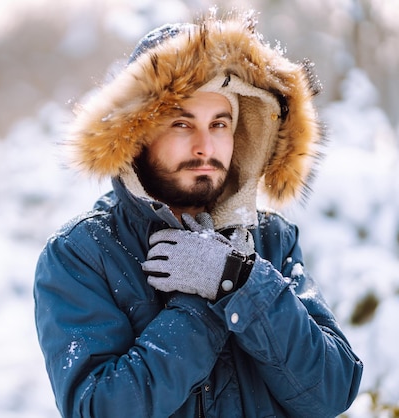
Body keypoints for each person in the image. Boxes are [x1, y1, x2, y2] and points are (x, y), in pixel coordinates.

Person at [34, 9, 363, 418]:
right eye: (181, 124)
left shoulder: (272, 240)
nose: (205, 146)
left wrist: (240, 280)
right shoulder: (83, 253)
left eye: (220, 124)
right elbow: (101, 408)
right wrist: (201, 306)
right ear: (138, 134)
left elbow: (332, 389)